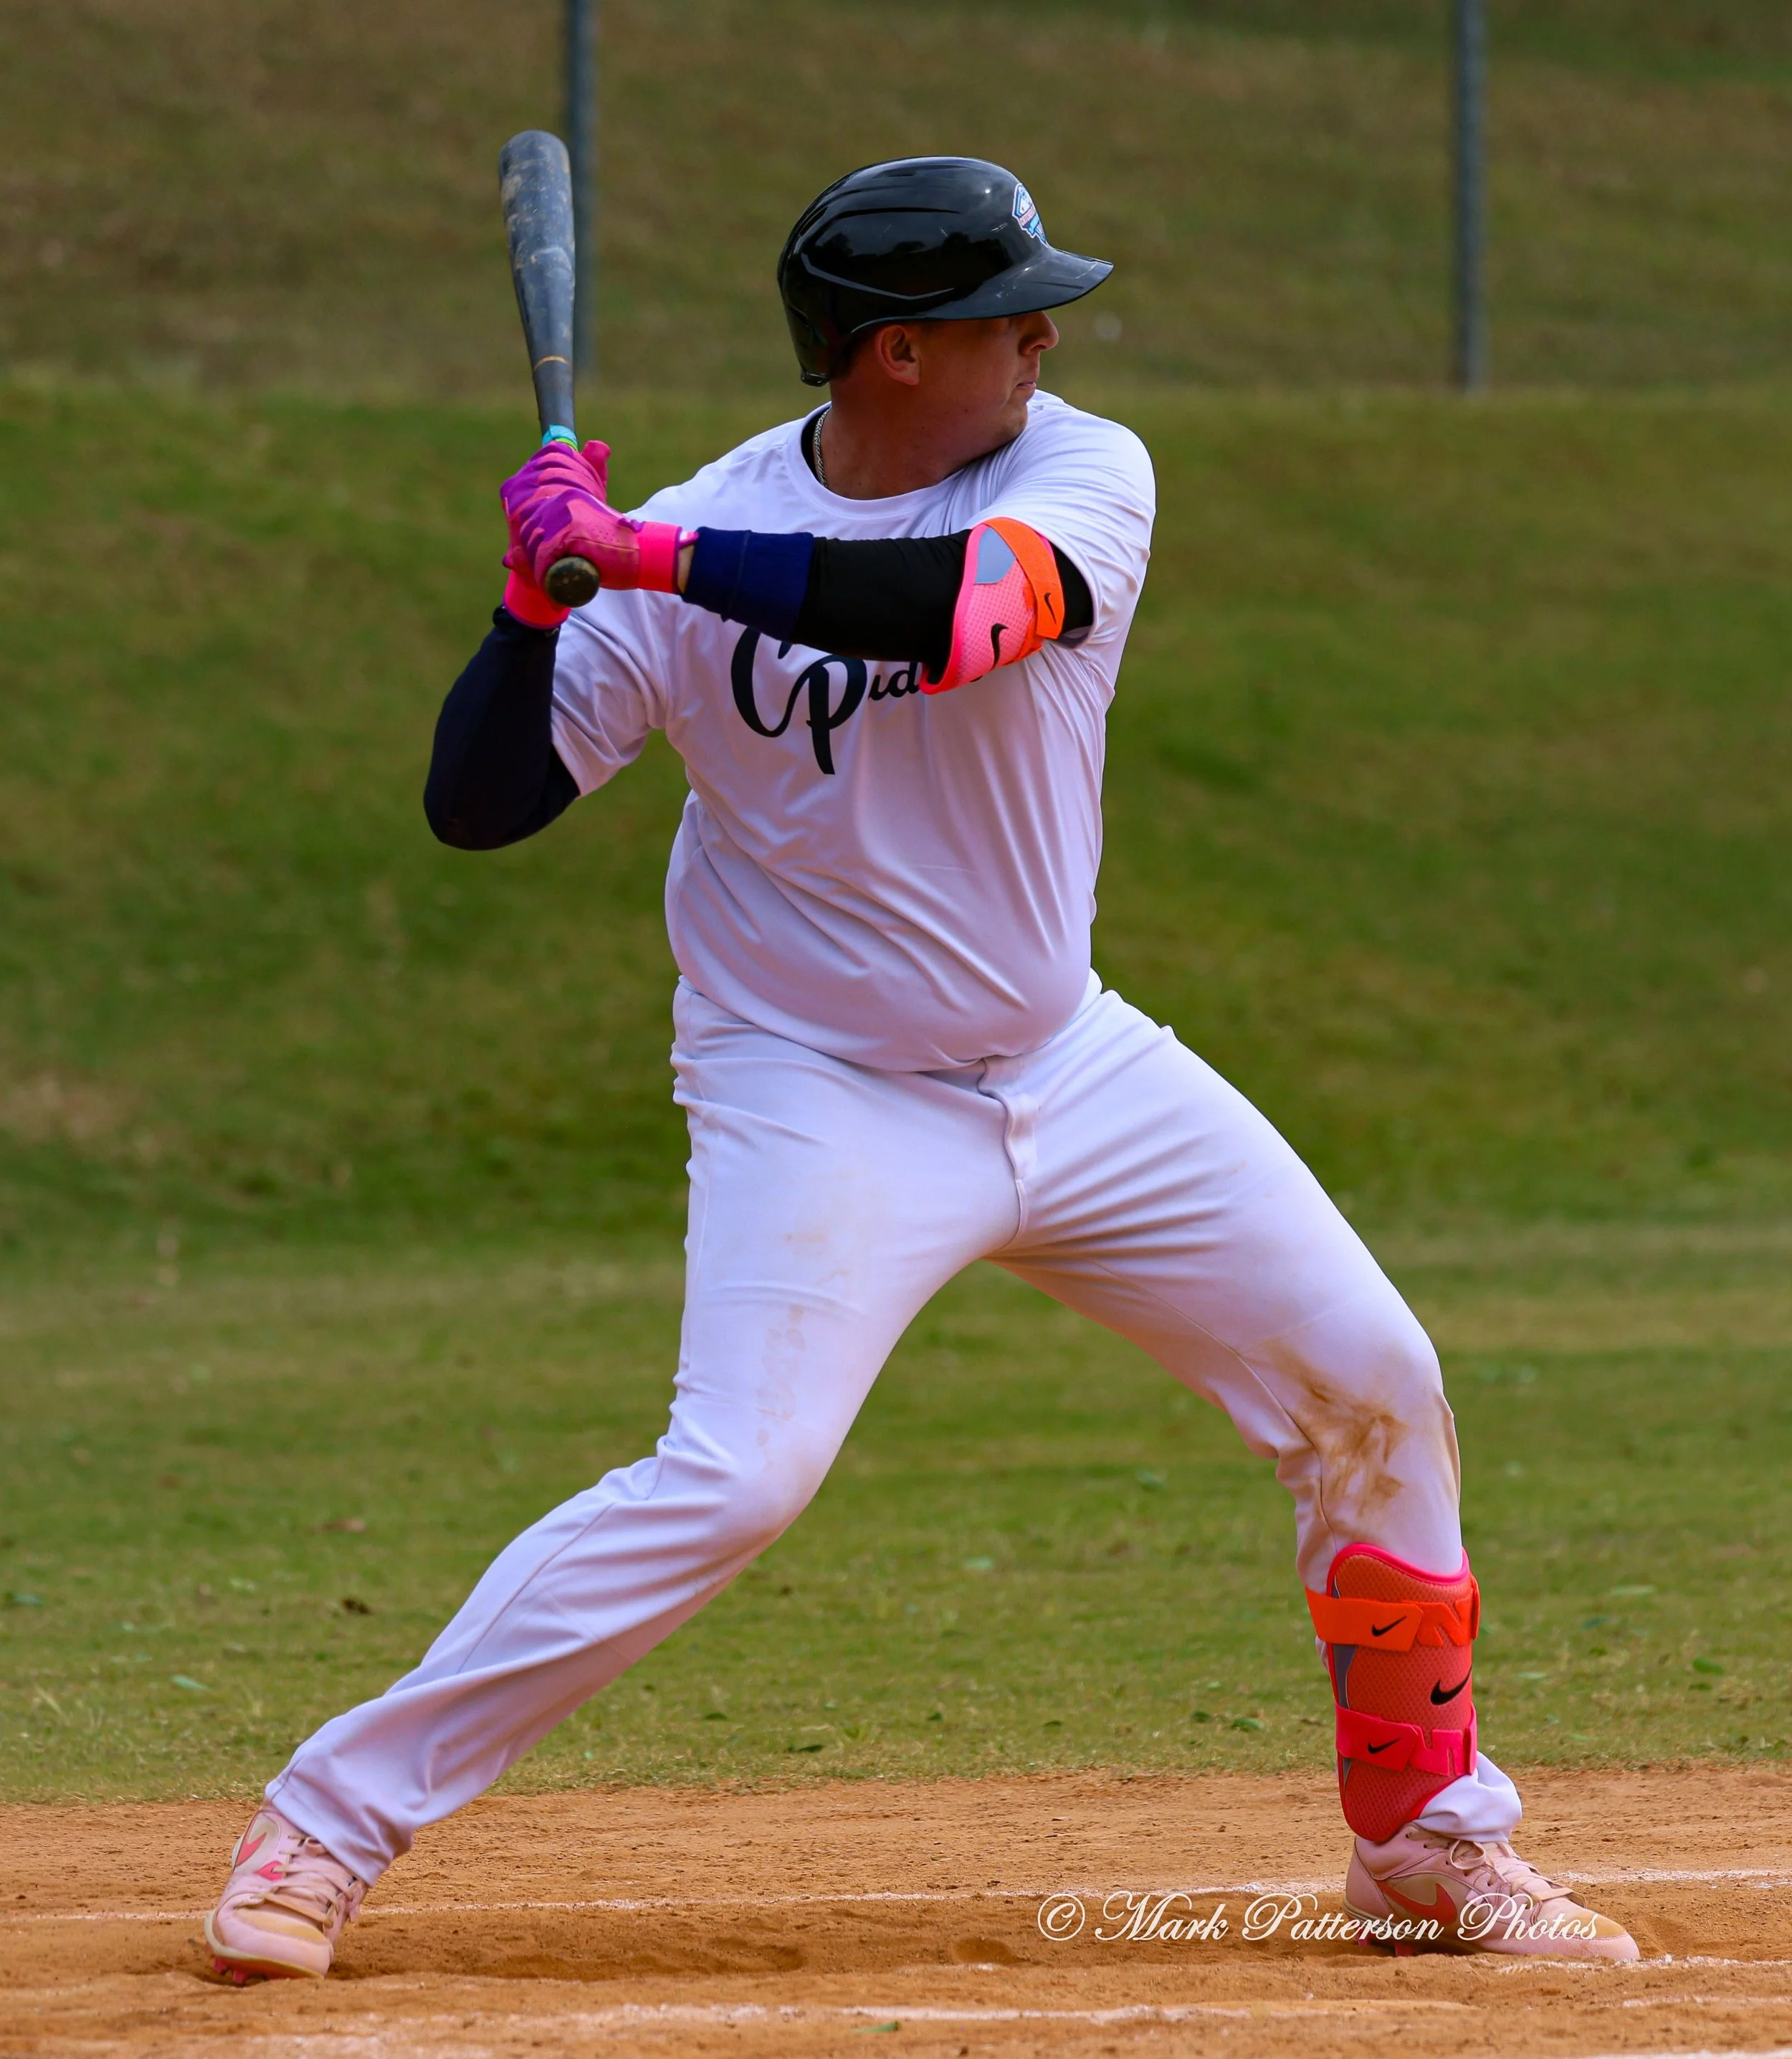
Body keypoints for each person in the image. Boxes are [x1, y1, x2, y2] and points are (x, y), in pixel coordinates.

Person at [204, 157, 1636, 1981]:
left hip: (1072, 1060)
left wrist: (637, 554)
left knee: (1372, 1378)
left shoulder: (1071, 470)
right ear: (890, 354)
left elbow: (965, 614)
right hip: (815, 1085)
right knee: (735, 1475)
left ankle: (1427, 1844)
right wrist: (530, 606)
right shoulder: (685, 537)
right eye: (1001, 311)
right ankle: (322, 1823)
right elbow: (476, 807)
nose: (1044, 331)